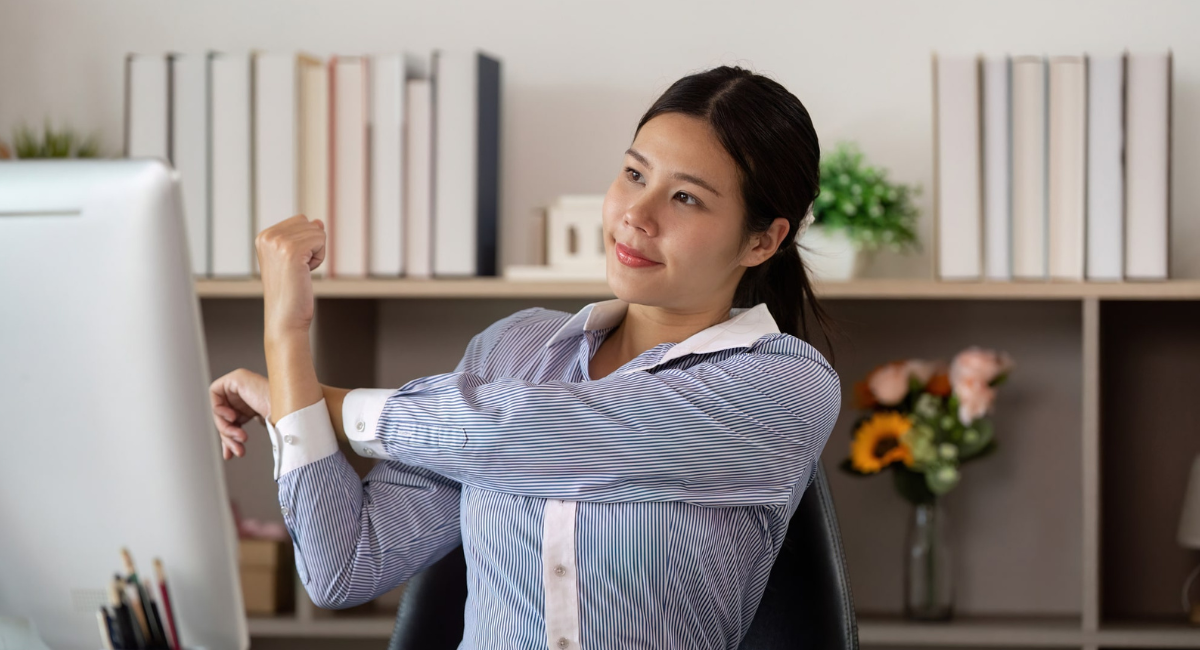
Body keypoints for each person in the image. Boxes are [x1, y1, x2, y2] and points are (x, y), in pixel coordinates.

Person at [211, 65, 842, 649]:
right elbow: (343, 565)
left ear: (762, 240)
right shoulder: (513, 348)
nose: (637, 216)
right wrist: (287, 333)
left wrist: (309, 402)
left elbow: (543, 431)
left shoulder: (783, 385)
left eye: (687, 199)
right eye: (634, 174)